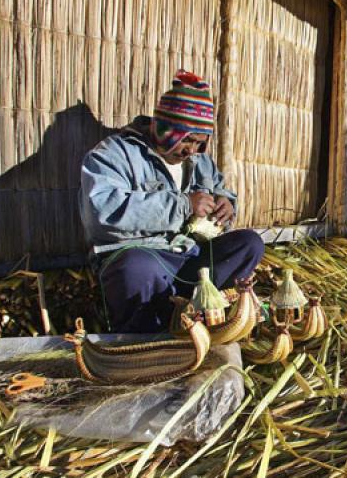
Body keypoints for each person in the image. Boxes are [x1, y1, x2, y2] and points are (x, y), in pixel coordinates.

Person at [79, 70, 264, 333]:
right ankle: (146, 337)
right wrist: (185, 205)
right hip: (142, 257)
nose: (191, 150)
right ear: (164, 128)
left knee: (249, 244)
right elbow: (103, 213)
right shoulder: (113, 155)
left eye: (200, 143)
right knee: (137, 268)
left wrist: (226, 204)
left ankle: (203, 313)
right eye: (186, 139)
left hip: (189, 258)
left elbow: (220, 189)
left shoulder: (198, 160)